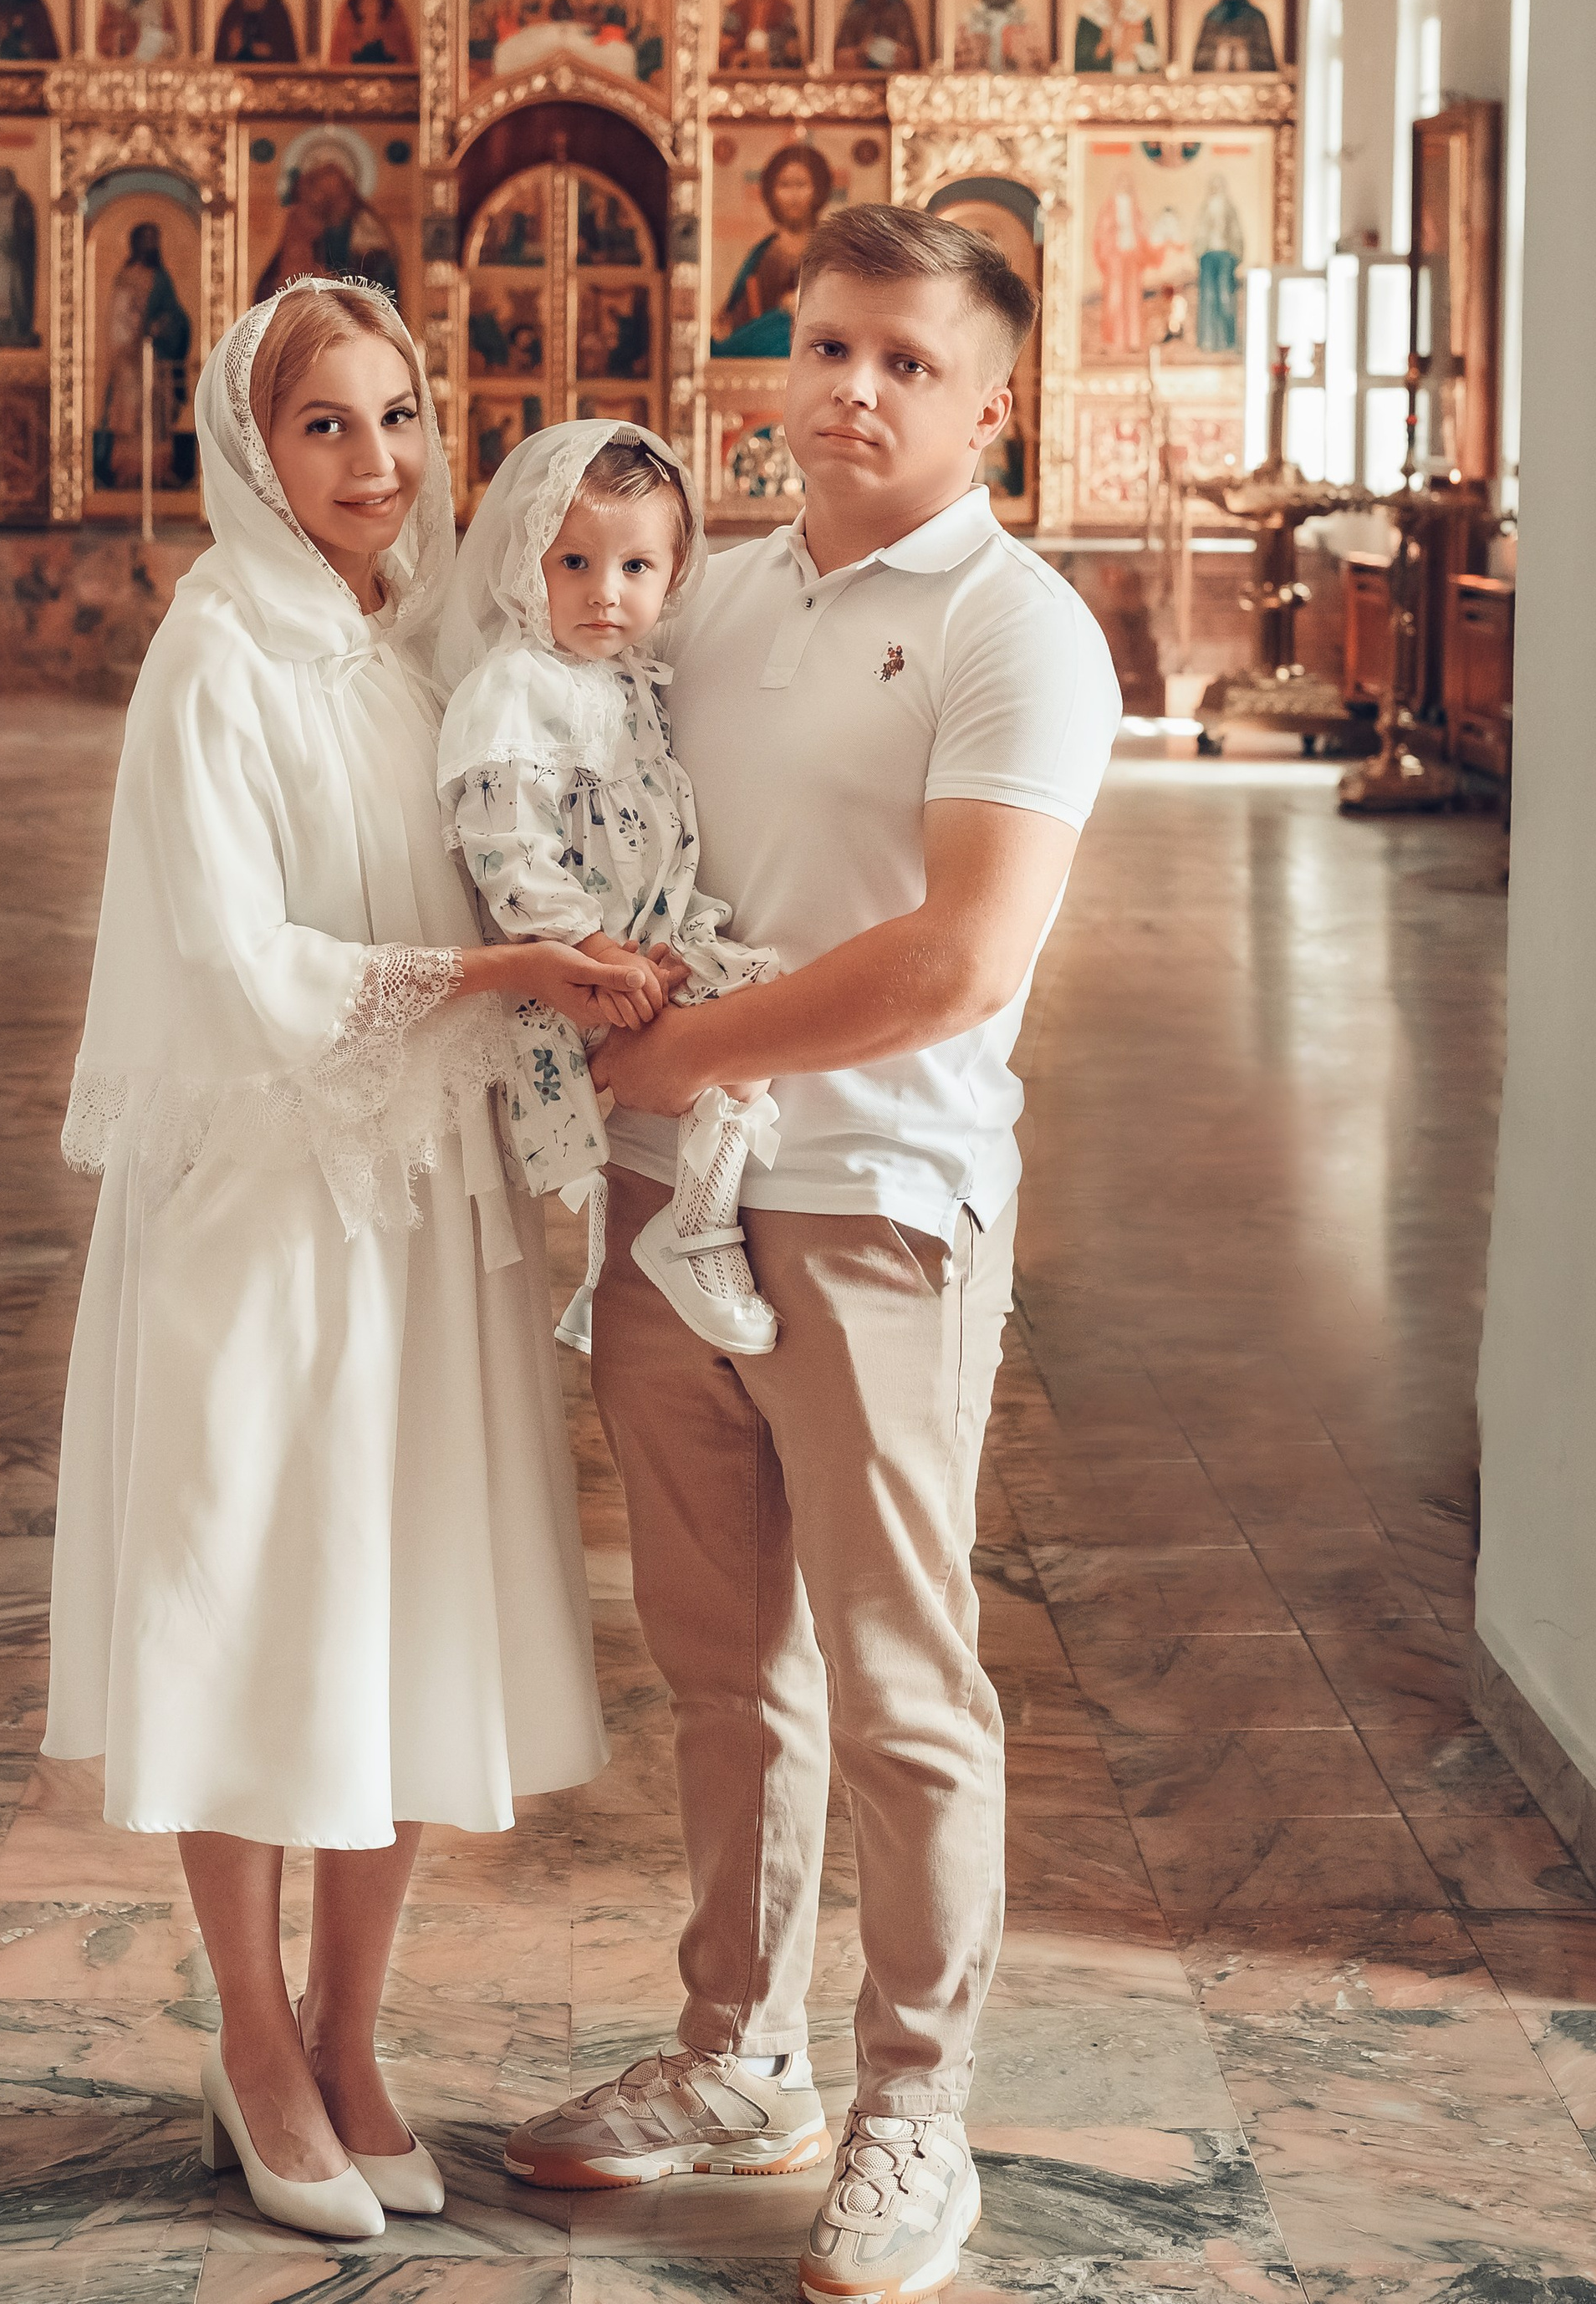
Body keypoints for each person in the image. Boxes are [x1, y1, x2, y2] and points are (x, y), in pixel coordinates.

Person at [504, 206, 1121, 2304]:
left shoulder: (1013, 628)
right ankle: (732, 2050)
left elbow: (958, 954)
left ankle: (912, 2104)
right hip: (674, 1206)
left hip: (872, 1199)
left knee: (896, 1676)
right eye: (825, 344)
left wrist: (678, 1047)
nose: (851, 388)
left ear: (987, 400)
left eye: (906, 363)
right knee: (718, 1668)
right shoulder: (707, 594)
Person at [48, 279, 618, 2241]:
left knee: (397, 1592)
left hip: (420, 1200)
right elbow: (233, 962)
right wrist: (491, 975)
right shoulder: (219, 652)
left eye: (397, 417)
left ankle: (355, 2026)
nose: (375, 463)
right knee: (249, 1584)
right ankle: (248, 2027)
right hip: (267, 1201)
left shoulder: (425, 641)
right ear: (251, 448)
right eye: (325, 428)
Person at [436, 421, 782, 1364]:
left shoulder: (630, 680)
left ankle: (605, 1279)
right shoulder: (514, 686)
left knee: (748, 1016)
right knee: (740, 1040)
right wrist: (590, 944)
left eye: (636, 567)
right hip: (573, 959)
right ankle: (695, 1234)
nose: (604, 593)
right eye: (575, 561)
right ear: (527, 563)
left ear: (673, 575)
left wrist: (655, 928)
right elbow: (504, 843)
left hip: (644, 934)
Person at [94, 221, 191, 491]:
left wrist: (167, 325)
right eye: (145, 239)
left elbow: (177, 315)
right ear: (135, 243)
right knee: (131, 417)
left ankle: (159, 469)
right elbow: (119, 318)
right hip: (130, 359)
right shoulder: (127, 277)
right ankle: (128, 472)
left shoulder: (162, 278)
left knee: (157, 415)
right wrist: (137, 334)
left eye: (154, 239)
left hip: (159, 356)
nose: (150, 245)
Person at [715, 144, 834, 359]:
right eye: (785, 185)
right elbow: (737, 317)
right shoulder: (761, 254)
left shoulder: (832, 249)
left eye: (801, 185)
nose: (793, 196)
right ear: (772, 192)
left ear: (818, 189)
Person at [256, 139, 399, 311]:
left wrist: (334, 282)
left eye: (334, 192)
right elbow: (283, 280)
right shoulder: (301, 223)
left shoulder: (368, 228)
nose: (326, 199)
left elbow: (380, 286)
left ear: (348, 189)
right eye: (321, 192)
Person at [832, 0, 923, 74]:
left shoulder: (900, 7)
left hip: (894, 78)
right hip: (862, 78)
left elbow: (912, 57)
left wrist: (898, 53)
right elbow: (841, 55)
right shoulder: (856, 6)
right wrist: (860, 51)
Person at [1094, 171, 1152, 356]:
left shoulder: (1134, 208)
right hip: (1115, 258)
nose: (1125, 186)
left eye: (1128, 183)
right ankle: (1114, 341)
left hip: (1132, 257)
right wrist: (1114, 233)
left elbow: (1143, 230)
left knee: (1132, 300)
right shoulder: (1110, 207)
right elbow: (1101, 232)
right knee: (1115, 299)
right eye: (1122, 183)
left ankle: (1133, 340)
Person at [1073, 0, 1163, 74]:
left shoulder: (1141, 13)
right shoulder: (1089, 16)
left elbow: (1154, 64)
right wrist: (1103, 46)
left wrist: (1137, 47)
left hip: (1136, 83)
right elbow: (1081, 63)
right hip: (1100, 82)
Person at [1191, 0, 1278, 72]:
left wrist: (1243, 50)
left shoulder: (1256, 17)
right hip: (1213, 84)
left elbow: (1267, 62)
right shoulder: (1213, 16)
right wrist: (1221, 50)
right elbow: (1199, 62)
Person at [718, 0, 805, 71]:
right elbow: (728, 38)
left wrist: (771, 51)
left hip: (774, 63)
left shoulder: (784, 8)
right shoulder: (737, 7)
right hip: (743, 62)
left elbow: (791, 43)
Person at [954, 0, 1043, 74]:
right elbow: (961, 52)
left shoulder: (1021, 16)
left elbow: (1033, 55)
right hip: (980, 74)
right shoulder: (973, 16)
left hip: (1013, 75)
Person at [0, 165, 38, 346]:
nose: (1, 184)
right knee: (0, 294)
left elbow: (26, 228)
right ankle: (0, 331)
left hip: (16, 255)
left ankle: (18, 330)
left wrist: (14, 242)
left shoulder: (21, 200)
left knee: (17, 292)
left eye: (4, 179)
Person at [1195, 174, 1247, 350]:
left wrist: (1235, 254)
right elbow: (1199, 235)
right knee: (1208, 297)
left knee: (1225, 297)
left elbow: (1237, 235)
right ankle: (1207, 340)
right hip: (1208, 257)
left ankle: (1227, 341)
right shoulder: (1205, 209)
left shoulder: (1229, 209)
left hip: (1226, 256)